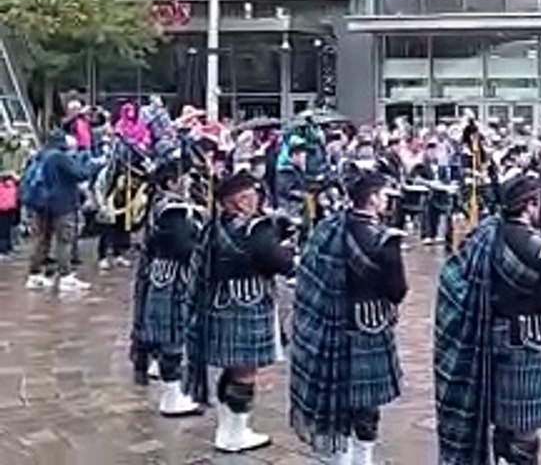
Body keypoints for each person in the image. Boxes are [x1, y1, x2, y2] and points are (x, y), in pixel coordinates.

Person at [435, 174, 541, 465]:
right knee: (525, 433)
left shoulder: (486, 236)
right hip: (528, 343)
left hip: (490, 338)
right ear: (529, 205)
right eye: (537, 202)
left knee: (501, 422)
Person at [290, 170, 408, 465]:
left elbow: (309, 270)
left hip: (331, 323)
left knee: (338, 396)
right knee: (366, 403)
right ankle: (362, 459)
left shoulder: (329, 228)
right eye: (383, 195)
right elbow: (397, 290)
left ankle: (338, 457)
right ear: (371, 199)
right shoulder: (386, 240)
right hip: (368, 326)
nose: (386, 201)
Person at [183, 170, 296, 454]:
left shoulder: (214, 225)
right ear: (239, 200)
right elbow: (277, 262)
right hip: (248, 302)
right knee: (245, 370)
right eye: (251, 195)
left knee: (232, 368)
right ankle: (236, 433)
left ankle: (227, 429)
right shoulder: (254, 228)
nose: (257, 200)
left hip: (219, 302)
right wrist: (286, 249)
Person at [130, 159, 202, 416]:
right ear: (172, 181)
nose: (190, 182)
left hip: (160, 274)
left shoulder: (159, 203)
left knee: (167, 335)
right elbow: (183, 246)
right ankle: (171, 398)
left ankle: (170, 388)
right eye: (186, 177)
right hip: (173, 276)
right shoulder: (173, 210)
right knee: (173, 336)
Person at [25, 128, 94, 292]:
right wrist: (88, 164)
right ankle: (66, 277)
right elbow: (80, 174)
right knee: (64, 241)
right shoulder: (60, 158)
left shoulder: (40, 155)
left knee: (41, 240)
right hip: (62, 205)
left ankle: (35, 275)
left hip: (40, 205)